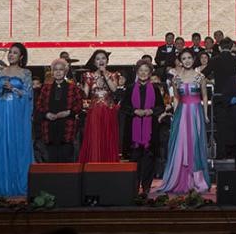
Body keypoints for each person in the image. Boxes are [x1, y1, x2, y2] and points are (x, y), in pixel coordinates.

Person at [158, 49, 210, 193]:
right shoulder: (176, 78)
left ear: (193, 59)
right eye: (184, 58)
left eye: (189, 58)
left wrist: (205, 114)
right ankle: (180, 177)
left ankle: (196, 179)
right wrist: (175, 114)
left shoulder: (200, 77)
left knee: (194, 143)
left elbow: (205, 96)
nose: (187, 61)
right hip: (181, 113)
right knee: (181, 143)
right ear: (180, 61)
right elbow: (176, 97)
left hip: (195, 112)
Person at [0, 42, 34, 196]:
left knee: (16, 144)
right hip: (1, 113)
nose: (11, 55)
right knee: (2, 144)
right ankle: (2, 184)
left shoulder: (25, 73)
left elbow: (28, 95)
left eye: (15, 53)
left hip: (17, 113)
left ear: (21, 57)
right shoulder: (0, 72)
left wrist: (13, 88)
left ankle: (18, 183)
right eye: (10, 52)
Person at [121, 59, 165, 195]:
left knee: (149, 160)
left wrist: (151, 111)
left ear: (150, 73)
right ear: (137, 72)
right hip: (133, 131)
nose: (143, 73)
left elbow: (161, 107)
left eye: (146, 71)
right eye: (141, 70)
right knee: (134, 159)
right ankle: (134, 187)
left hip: (150, 130)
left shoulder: (155, 89)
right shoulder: (130, 88)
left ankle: (146, 187)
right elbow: (123, 107)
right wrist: (135, 111)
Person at [36, 58, 83, 163]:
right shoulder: (46, 88)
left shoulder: (73, 87)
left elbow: (79, 104)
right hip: (50, 127)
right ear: (52, 72)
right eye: (55, 69)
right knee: (51, 158)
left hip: (66, 126)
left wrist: (69, 112)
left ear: (65, 71)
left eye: (61, 69)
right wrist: (46, 114)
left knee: (66, 157)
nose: (58, 72)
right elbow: (39, 105)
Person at [78, 49, 120, 163]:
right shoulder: (89, 76)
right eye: (98, 59)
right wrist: (80, 89)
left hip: (109, 110)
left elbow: (114, 89)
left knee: (108, 137)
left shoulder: (113, 75)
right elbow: (85, 94)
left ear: (107, 61)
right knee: (95, 137)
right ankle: (94, 164)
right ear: (94, 62)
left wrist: (105, 75)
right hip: (95, 111)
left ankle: (108, 164)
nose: (101, 61)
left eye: (103, 58)